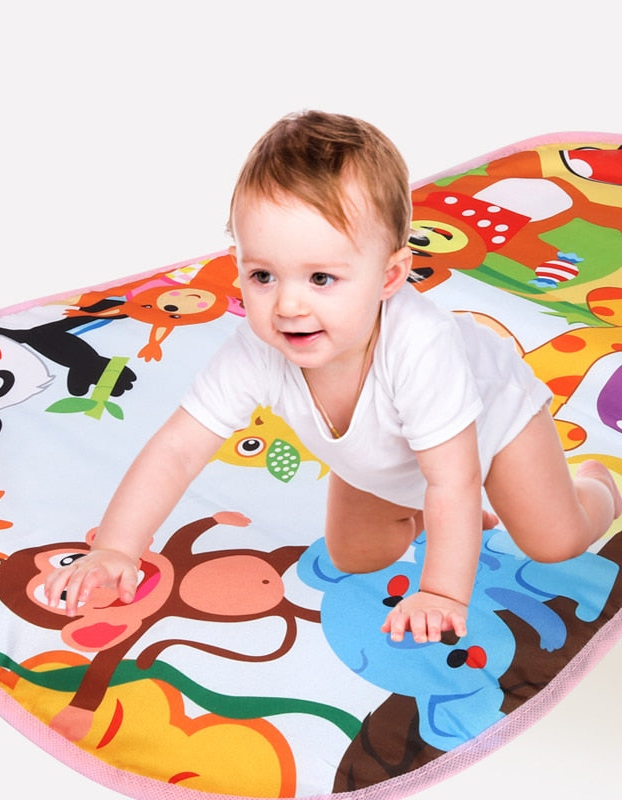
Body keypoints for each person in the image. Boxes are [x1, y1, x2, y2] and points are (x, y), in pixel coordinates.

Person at [45, 110, 622, 644]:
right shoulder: (257, 349)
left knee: (554, 541)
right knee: (356, 557)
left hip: (492, 432)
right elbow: (176, 451)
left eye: (321, 278)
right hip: (391, 457)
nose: (288, 306)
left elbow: (455, 479)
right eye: (263, 275)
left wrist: (441, 593)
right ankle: (445, 520)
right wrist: (117, 548)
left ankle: (599, 486)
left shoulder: (422, 347)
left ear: (389, 277)